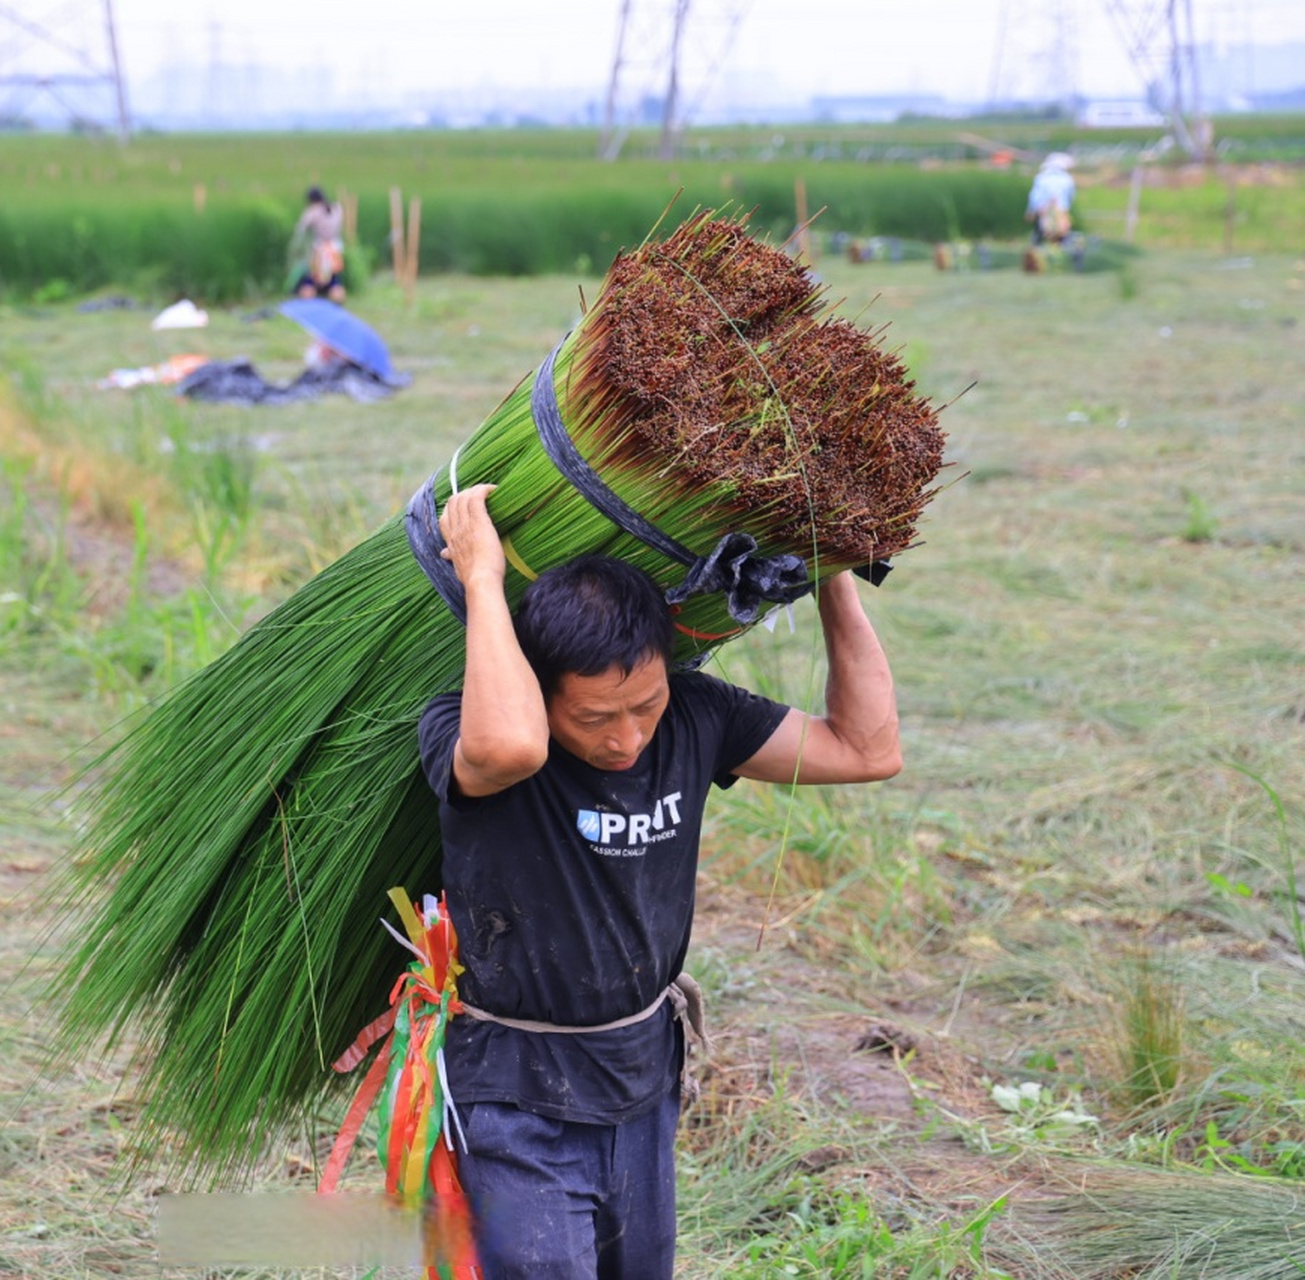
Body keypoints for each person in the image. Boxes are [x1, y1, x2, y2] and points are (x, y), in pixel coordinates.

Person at [420, 485, 903, 1279]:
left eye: (643, 705)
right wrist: (482, 578)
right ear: (539, 691)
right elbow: (509, 747)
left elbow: (866, 749)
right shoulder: (462, 726)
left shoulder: (695, 715)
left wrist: (831, 576)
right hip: (511, 1096)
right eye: (594, 718)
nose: (628, 739)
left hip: (640, 1081)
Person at [291, 186, 347, 302]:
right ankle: (335, 294)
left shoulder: (313, 211)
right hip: (336, 249)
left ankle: (313, 293)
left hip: (319, 250)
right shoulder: (337, 208)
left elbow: (300, 229)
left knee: (313, 279)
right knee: (333, 278)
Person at [1026, 152, 1076, 246]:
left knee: (1040, 235)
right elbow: (1071, 196)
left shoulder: (1041, 178)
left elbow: (1034, 196)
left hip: (1043, 210)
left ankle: (1038, 250)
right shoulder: (1067, 179)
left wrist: (1031, 210)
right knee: (1063, 236)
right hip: (1061, 211)